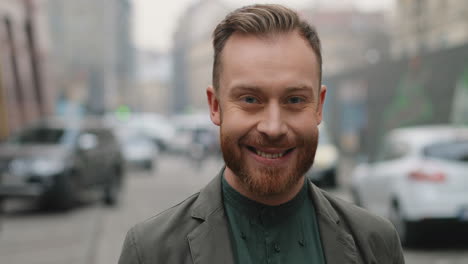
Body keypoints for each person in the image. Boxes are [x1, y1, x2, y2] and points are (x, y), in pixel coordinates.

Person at [118, 4, 405, 264]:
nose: (273, 127)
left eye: (294, 100)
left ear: (319, 107)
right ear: (215, 106)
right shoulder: (151, 252)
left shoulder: (376, 243)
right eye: (250, 100)